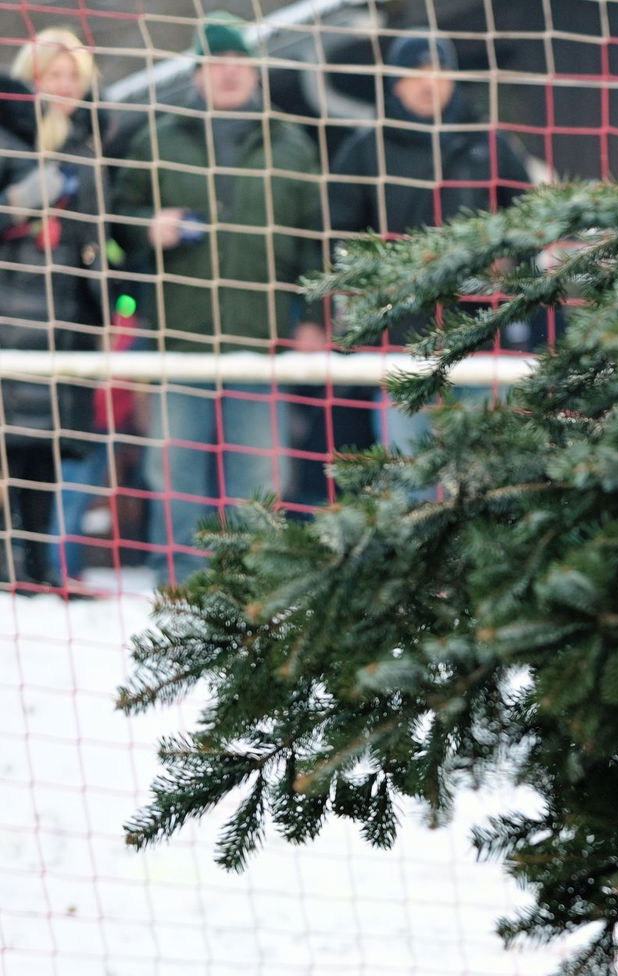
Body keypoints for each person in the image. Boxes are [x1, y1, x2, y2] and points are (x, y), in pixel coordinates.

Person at [111, 12, 329, 583]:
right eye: (216, 63)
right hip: (174, 341)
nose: (229, 73)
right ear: (197, 73)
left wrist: (314, 319)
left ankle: (254, 587)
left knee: (261, 479)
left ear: (254, 70)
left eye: (239, 62)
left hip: (261, 343)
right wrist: (144, 226)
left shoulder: (293, 144)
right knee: (173, 470)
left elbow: (318, 244)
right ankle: (179, 585)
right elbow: (113, 225)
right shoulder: (155, 139)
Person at [326, 33, 535, 467]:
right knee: (408, 473)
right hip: (402, 342)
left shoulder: (488, 143)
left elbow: (532, 223)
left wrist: (511, 269)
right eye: (415, 73)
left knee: (483, 469)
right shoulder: (367, 149)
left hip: (481, 337)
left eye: (438, 71)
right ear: (395, 84)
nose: (429, 82)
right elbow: (335, 235)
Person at [0, 28, 106, 594]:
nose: (65, 87)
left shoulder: (87, 142)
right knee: (8, 442)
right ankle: (8, 563)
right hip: (9, 309)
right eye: (55, 75)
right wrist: (16, 209)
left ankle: (42, 564)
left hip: (65, 313)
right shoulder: (6, 135)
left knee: (48, 446)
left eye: (74, 78)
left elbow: (100, 233)